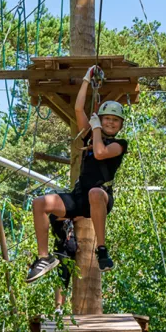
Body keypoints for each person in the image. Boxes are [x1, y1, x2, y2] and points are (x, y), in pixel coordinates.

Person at [26, 65, 128, 283]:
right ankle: (44, 258)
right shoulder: (91, 135)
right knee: (39, 203)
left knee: (95, 192)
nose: (110, 122)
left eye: (114, 120)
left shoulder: (120, 144)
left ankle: (102, 249)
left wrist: (97, 127)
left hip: (101, 198)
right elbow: (79, 109)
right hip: (81, 197)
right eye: (106, 118)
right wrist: (85, 80)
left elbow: (100, 153)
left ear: (120, 125)